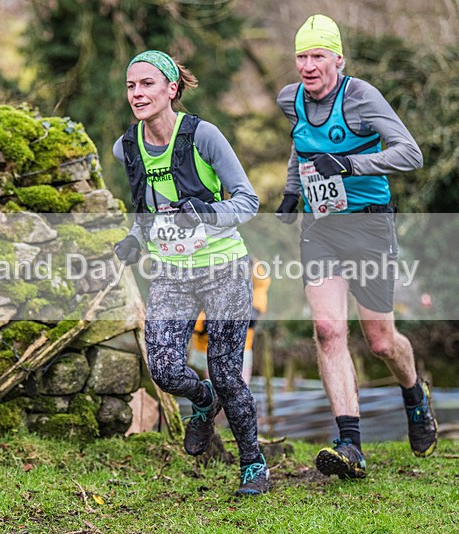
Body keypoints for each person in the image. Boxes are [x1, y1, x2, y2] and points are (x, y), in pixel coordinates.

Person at [274, 14, 437, 479]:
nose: (308, 65)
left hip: (369, 226)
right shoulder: (290, 99)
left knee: (381, 341)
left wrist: (348, 164)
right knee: (328, 329)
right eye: (301, 56)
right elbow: (301, 145)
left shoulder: (361, 97)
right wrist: (291, 192)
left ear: (338, 59)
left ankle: (414, 394)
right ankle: (350, 443)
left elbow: (410, 153)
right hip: (321, 227)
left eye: (317, 56)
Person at [112, 50, 269, 495]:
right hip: (172, 272)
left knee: (226, 372)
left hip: (224, 268)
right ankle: (203, 401)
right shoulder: (127, 147)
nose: (137, 93)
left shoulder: (203, 136)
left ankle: (253, 465)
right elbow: (148, 210)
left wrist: (205, 212)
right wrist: (134, 238)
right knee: (163, 369)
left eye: (147, 84)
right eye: (131, 86)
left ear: (171, 89)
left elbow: (248, 201)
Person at [188, 258, 271, 384]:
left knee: (240, 381)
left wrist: (253, 309)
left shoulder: (250, 263)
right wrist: (202, 323)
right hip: (208, 342)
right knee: (214, 381)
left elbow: (261, 285)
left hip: (241, 342)